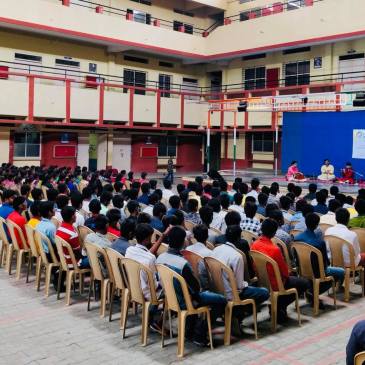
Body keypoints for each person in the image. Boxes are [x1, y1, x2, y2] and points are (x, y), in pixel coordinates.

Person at [156, 226, 227, 346]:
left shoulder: (160, 258)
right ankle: (200, 333)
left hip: (170, 298)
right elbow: (196, 289)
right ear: (182, 241)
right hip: (185, 301)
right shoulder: (182, 264)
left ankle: (189, 331)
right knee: (222, 300)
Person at [251, 219, 311, 322]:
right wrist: (290, 274)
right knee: (304, 283)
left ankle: (278, 307)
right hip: (276, 283)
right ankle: (279, 305)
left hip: (262, 281)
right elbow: (284, 272)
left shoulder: (254, 245)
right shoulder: (275, 249)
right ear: (274, 233)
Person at [212, 225, 269, 332]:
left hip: (217, 289)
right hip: (231, 294)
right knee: (264, 292)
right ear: (239, 238)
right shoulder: (237, 256)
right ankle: (236, 313)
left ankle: (235, 315)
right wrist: (246, 284)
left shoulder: (216, 249)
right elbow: (239, 286)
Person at [295, 213, 345, 287]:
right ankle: (337, 287)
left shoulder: (297, 238)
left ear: (306, 223)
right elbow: (325, 262)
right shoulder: (320, 242)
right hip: (318, 272)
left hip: (302, 269)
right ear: (316, 225)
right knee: (342, 271)